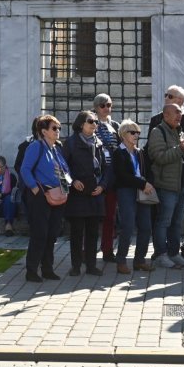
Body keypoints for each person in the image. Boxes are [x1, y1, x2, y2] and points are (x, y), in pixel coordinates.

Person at [20, 115, 69, 282]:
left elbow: (64, 171)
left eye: (59, 128)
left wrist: (66, 186)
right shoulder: (36, 146)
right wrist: (35, 189)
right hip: (41, 197)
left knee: (52, 234)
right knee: (39, 234)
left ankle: (47, 269)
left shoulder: (56, 149)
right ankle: (31, 270)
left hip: (58, 197)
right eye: (54, 128)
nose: (58, 131)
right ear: (43, 131)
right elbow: (25, 169)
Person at [63, 110, 113, 276]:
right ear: (81, 124)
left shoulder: (99, 143)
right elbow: (63, 168)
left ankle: (91, 266)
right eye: (91, 121)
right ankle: (76, 266)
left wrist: (103, 186)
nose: (95, 124)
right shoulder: (70, 143)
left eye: (96, 122)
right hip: (78, 195)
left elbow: (107, 169)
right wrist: (72, 181)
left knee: (93, 233)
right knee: (77, 233)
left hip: (95, 194)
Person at [147, 102, 184, 269]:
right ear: (165, 115)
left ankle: (174, 254)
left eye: (180, 113)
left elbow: (181, 155)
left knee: (177, 222)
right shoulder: (157, 132)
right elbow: (159, 157)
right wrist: (180, 149)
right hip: (167, 186)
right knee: (164, 221)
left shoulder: (179, 131)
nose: (179, 116)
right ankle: (161, 254)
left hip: (182, 185)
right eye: (176, 113)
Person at [111, 119, 153, 274]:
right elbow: (122, 175)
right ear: (123, 134)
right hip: (126, 191)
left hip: (142, 191)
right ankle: (121, 260)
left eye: (138, 133)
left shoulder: (140, 152)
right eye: (132, 132)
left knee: (146, 227)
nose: (136, 135)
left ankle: (140, 260)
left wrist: (148, 183)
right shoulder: (118, 152)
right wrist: (142, 183)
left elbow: (147, 171)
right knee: (127, 226)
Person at [93, 94, 120, 263]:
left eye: (109, 104)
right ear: (96, 107)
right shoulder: (91, 124)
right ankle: (86, 249)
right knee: (92, 216)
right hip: (96, 176)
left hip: (112, 177)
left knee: (110, 215)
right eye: (103, 105)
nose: (106, 108)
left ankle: (108, 249)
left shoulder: (115, 126)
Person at [0, 156, 18, 235]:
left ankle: (8, 226)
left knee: (9, 199)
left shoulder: (11, 177)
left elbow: (12, 193)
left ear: (5, 166)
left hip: (4, 205)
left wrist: (0, 195)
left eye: (0, 167)